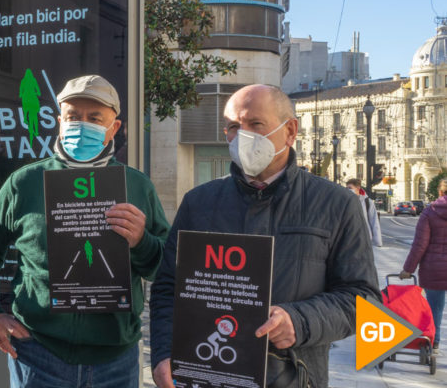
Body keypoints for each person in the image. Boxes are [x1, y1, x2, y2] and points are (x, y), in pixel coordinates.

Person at [150, 84, 379, 388]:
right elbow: (168, 287)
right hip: (208, 375)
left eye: (256, 124)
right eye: (233, 126)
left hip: (295, 377)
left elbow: (362, 300)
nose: (242, 135)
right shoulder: (198, 202)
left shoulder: (337, 204)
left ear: (290, 130)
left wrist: (299, 321)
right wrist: (164, 353)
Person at [0, 74, 169, 388]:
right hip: (37, 353)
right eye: (73, 116)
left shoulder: (137, 186)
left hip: (116, 360)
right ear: (60, 121)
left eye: (95, 118)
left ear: (113, 127)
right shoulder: (26, 182)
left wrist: (142, 242)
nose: (82, 124)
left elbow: (165, 268)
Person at [399, 178, 447, 350]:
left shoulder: (429, 212)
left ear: (440, 192)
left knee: (434, 310)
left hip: (433, 270)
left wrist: (408, 269)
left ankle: (433, 343)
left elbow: (420, 245)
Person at [346, 178, 382, 247]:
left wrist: (378, 241)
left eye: (350, 188)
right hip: (349, 240)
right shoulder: (346, 201)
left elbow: (374, 221)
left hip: (365, 240)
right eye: (347, 188)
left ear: (358, 188)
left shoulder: (367, 202)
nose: (348, 190)